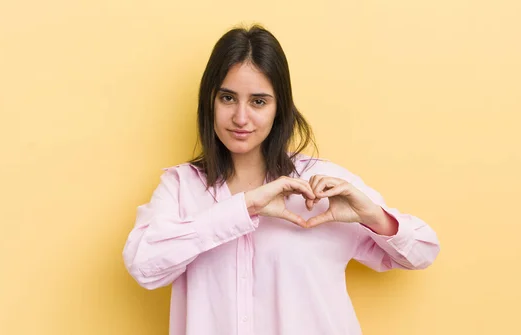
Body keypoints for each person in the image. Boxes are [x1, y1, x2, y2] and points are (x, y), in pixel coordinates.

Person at [122, 24, 440, 335]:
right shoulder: (181, 188)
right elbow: (144, 267)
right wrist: (243, 209)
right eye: (227, 98)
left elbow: (424, 251)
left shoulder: (322, 184)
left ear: (279, 107)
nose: (241, 118)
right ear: (210, 100)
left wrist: (374, 217)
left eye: (258, 101)